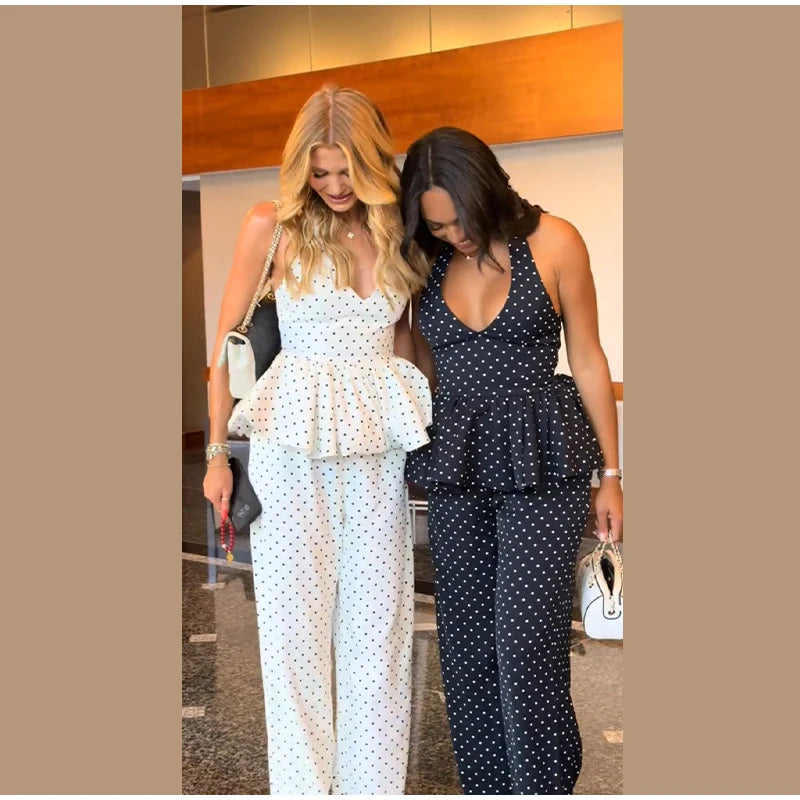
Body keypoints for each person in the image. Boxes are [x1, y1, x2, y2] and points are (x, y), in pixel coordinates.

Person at [202, 85, 432, 795]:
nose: (334, 187)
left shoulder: (395, 232)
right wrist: (215, 455)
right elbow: (226, 351)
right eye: (321, 171)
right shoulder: (270, 226)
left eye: (347, 171)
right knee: (294, 647)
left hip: (376, 458)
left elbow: (407, 347)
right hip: (289, 456)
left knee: (381, 642)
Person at [399, 126, 623, 795]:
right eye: (436, 226)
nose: (453, 236)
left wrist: (613, 473)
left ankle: (542, 784)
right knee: (465, 647)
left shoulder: (553, 241)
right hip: (458, 460)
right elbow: (418, 368)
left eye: (459, 220)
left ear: (487, 189)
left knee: (525, 642)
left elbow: (587, 357)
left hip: (542, 454)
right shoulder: (425, 262)